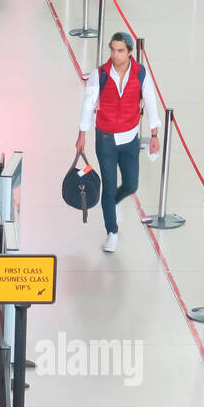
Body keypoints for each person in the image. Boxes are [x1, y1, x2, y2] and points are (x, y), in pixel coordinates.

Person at [76, 31, 162, 253]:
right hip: (105, 138)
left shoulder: (140, 74)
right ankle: (111, 231)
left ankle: (113, 202)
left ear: (130, 52)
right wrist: (82, 133)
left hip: (130, 137)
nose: (115, 54)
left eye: (120, 50)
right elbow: (88, 103)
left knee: (132, 184)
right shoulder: (100, 74)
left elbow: (151, 103)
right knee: (109, 184)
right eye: (112, 49)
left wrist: (154, 135)